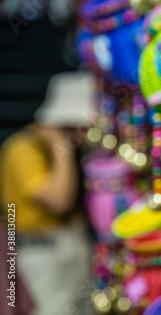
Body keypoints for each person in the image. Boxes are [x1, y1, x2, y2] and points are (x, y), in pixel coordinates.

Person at [0, 72, 96, 315]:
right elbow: (58, 201)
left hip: (73, 246)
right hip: (42, 255)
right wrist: (59, 146)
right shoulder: (23, 149)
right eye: (82, 126)